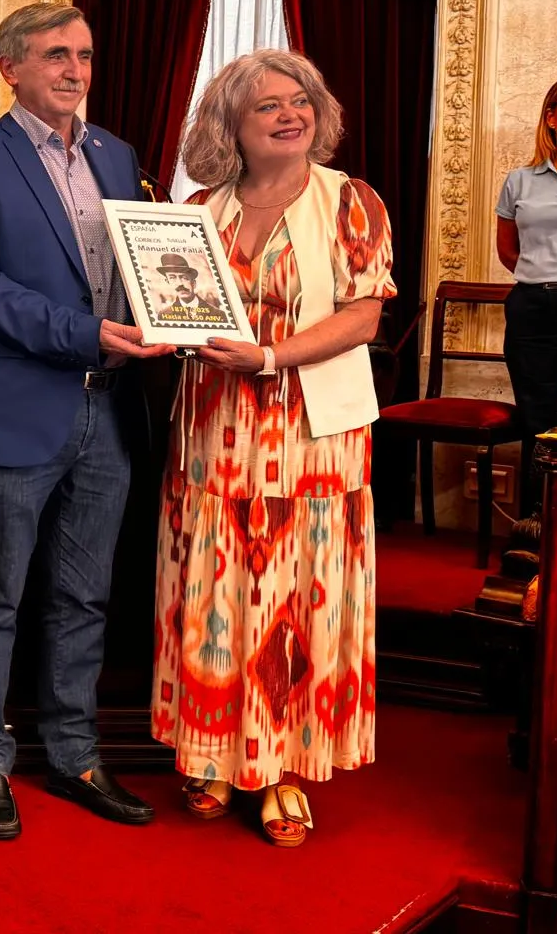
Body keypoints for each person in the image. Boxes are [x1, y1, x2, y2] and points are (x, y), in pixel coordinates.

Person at [0, 2, 171, 840]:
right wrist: (87, 332)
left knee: (84, 595)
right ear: (11, 68)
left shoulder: (117, 155)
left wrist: (173, 314)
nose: (76, 70)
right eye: (56, 55)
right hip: (19, 407)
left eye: (85, 54)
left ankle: (75, 756)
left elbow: (142, 265)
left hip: (109, 409)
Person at [155, 48, 394, 847]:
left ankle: (285, 767)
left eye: (300, 101)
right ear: (232, 124)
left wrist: (268, 357)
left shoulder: (351, 201)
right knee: (213, 599)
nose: (290, 114)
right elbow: (179, 308)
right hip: (212, 434)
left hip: (312, 437)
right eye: (269, 105)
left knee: (299, 602)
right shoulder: (200, 208)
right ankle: (214, 753)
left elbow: (364, 317)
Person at [497, 77, 557, 514]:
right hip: (533, 308)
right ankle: (536, 526)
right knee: (538, 417)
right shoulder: (519, 180)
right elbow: (508, 251)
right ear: (551, 118)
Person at [154, 254, 226, 322]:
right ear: (168, 282)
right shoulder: (163, 315)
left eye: (184, 277)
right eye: (172, 278)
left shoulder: (219, 315)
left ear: (194, 283)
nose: (180, 283)